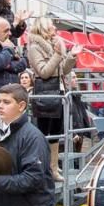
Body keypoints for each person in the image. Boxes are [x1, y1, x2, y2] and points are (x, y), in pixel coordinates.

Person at [26, 16, 81, 180]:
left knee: (56, 134)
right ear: (43, 28)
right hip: (45, 94)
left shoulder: (54, 44)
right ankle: (41, 170)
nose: (55, 29)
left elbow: (62, 70)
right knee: (43, 134)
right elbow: (44, 72)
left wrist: (71, 56)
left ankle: (53, 169)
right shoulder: (34, 47)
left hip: (58, 93)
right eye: (51, 27)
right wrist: (58, 54)